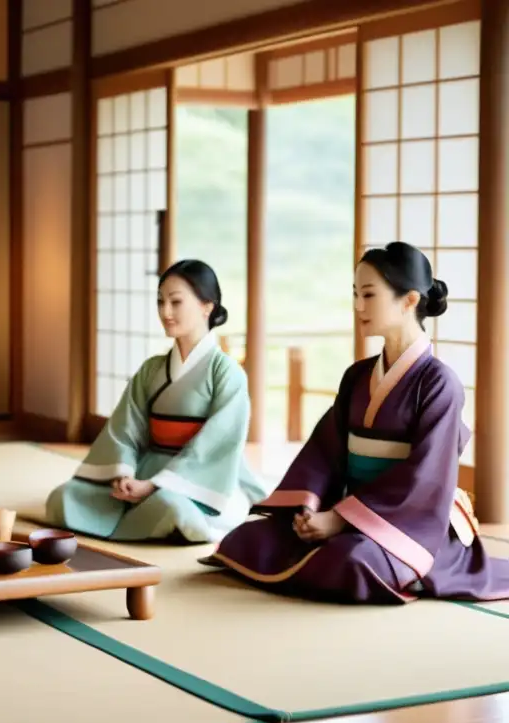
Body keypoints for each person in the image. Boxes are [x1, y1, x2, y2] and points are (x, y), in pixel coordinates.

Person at [202, 241, 509, 603]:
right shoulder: (357, 376)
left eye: (369, 295)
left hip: (409, 522)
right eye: (355, 294)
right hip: (347, 509)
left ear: (409, 300)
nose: (358, 306)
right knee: (247, 540)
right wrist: (311, 507)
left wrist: (340, 520)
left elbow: (424, 479)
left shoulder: (440, 383)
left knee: (350, 560)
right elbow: (325, 451)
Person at [44, 259, 267, 543]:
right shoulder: (152, 369)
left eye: (176, 302)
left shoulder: (226, 372)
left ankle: (158, 511)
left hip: (202, 478)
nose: (165, 312)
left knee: (171, 507)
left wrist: (154, 486)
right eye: (160, 302)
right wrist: (123, 472)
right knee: (64, 498)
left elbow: (215, 444)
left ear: (206, 306)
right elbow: (125, 429)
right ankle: (142, 510)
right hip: (147, 468)